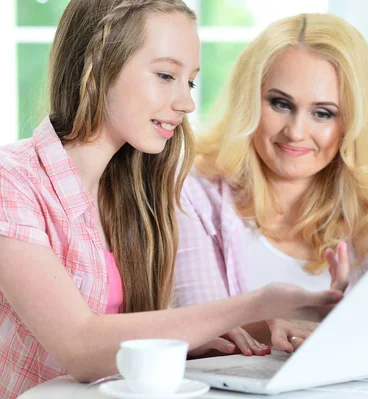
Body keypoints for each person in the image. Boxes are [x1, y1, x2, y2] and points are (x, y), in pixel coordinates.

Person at [0, 2, 344, 398]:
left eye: (190, 82)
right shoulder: (14, 180)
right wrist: (260, 304)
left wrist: (225, 334)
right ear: (99, 63)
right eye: (166, 75)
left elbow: (120, 341)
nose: (186, 103)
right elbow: (79, 346)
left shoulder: (133, 193)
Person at [174, 13, 368, 374]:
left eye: (323, 113)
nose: (296, 132)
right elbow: (202, 331)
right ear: (250, 101)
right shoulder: (195, 188)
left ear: (354, 121)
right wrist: (325, 325)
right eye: (280, 104)